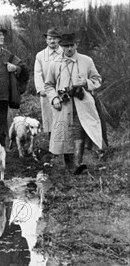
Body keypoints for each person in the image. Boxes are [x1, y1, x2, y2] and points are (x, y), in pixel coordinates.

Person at [44, 32, 103, 174]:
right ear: (61, 46)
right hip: (63, 104)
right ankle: (70, 165)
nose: (69, 49)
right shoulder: (55, 64)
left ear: (76, 45)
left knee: (79, 131)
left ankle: (77, 163)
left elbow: (98, 80)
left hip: (82, 103)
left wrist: (86, 82)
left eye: (72, 45)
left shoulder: (86, 61)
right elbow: (48, 85)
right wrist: (54, 98)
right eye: (66, 46)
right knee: (66, 132)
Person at [0, 23, 29, 142]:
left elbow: (23, 69)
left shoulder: (8, 55)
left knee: (1, 122)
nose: (2, 37)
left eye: (2, 35)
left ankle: (2, 149)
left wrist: (15, 68)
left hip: (3, 96)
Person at [34, 27, 62, 138]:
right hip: (47, 91)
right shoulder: (40, 55)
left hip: (62, 90)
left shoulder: (64, 53)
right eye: (50, 39)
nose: (52, 41)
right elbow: (38, 73)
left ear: (59, 40)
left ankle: (66, 149)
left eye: (55, 38)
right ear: (46, 40)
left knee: (62, 117)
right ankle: (52, 146)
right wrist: (41, 89)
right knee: (50, 119)